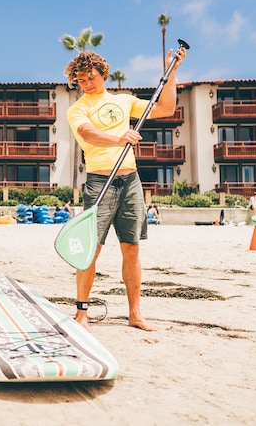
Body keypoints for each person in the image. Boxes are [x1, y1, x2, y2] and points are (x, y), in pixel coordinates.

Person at [64, 46, 186, 332]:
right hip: (99, 183)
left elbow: (165, 108)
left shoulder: (124, 101)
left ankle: (135, 313)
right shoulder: (77, 109)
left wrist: (173, 72)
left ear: (102, 74)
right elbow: (87, 134)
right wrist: (118, 139)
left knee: (131, 249)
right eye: (81, 80)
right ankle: (81, 312)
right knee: (91, 250)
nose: (87, 83)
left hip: (131, 181)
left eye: (91, 77)